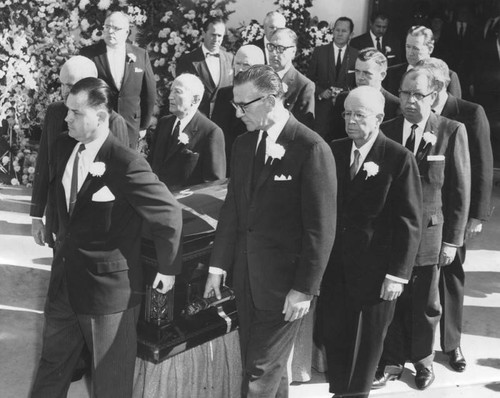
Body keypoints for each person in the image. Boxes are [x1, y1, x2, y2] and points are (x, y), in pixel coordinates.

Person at [30, 78, 182, 398]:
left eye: (75, 112)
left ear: (100, 117)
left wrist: (168, 271)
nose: (66, 118)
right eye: (67, 111)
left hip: (108, 295)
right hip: (64, 282)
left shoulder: (126, 162)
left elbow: (168, 214)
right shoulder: (61, 146)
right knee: (51, 369)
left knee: (110, 385)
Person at [204, 65, 337, 397]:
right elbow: (233, 211)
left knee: (259, 374)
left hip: (285, 289)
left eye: (243, 105)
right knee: (264, 369)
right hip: (246, 279)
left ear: (272, 99)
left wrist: (304, 289)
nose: (237, 114)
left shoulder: (311, 148)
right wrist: (217, 267)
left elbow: (321, 229)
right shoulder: (244, 145)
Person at [321, 86, 422, 398]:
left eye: (359, 115)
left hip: (375, 277)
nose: (351, 121)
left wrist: (397, 275)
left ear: (379, 118)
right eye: (347, 114)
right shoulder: (334, 151)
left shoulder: (398, 158)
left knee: (365, 351)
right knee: (336, 341)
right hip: (336, 271)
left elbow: (409, 221)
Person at [375, 67, 471, 390]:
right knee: (391, 300)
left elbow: (458, 192)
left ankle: (423, 361)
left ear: (433, 96)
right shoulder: (385, 129)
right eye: (404, 93)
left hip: (431, 234)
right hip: (392, 234)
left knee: (425, 303)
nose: (410, 101)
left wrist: (452, 241)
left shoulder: (450, 131)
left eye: (418, 94)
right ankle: (391, 360)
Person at [419, 57, 493, 372]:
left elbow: (483, 165)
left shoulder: (471, 112)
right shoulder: (415, 110)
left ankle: (452, 344)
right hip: (425, 213)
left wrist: (476, 216)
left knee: (451, 279)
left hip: (456, 212)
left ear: (442, 84)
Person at [31, 56, 129, 249]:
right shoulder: (54, 112)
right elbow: (44, 164)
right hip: (58, 219)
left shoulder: (113, 122)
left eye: (72, 85)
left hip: (93, 227)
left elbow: (119, 184)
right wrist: (36, 216)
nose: (66, 91)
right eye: (62, 84)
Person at [80, 11, 156, 149]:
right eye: (107, 27)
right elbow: (81, 92)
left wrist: (143, 125)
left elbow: (149, 93)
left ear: (127, 32)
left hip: (130, 127)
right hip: (98, 124)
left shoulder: (140, 55)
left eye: (116, 28)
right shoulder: (89, 54)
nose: (110, 31)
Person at [149, 73, 226, 189]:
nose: (170, 97)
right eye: (171, 91)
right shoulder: (164, 123)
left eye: (177, 92)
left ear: (195, 99)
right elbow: (151, 163)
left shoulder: (210, 132)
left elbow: (213, 184)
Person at [212, 45, 265, 173]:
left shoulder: (265, 99)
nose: (240, 69)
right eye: (237, 63)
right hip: (225, 166)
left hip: (253, 167)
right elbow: (216, 134)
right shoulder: (223, 95)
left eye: (246, 65)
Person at [330, 48, 400, 141]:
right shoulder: (343, 99)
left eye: (367, 73)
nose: (360, 77)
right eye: (357, 72)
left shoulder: (394, 105)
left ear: (382, 75)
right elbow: (333, 136)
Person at [308, 17, 358, 138]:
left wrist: (346, 94)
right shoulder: (320, 52)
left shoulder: (356, 55)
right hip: (322, 111)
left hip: (345, 110)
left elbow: (359, 83)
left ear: (351, 34)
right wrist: (321, 92)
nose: (340, 34)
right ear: (333, 31)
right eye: (337, 30)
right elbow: (309, 80)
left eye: (344, 31)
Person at [176, 16, 234, 117]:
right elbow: (182, 94)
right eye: (213, 35)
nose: (216, 39)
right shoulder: (187, 60)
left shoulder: (231, 59)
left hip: (223, 121)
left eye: (220, 36)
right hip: (197, 119)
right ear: (203, 34)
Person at [385, 26, 462, 99]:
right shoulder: (391, 73)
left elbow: (453, 109)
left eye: (415, 48)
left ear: (430, 49)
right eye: (408, 47)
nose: (410, 53)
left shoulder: (448, 76)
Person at [268, 28, 315, 129]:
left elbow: (303, 129)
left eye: (280, 48)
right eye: (271, 47)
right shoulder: (259, 77)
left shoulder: (304, 85)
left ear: (293, 52)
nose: (274, 53)